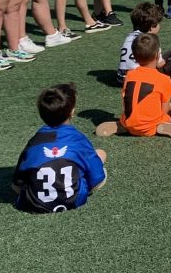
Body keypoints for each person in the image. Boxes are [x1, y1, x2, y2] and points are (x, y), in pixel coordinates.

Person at [12, 83, 107, 213]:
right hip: (74, 200)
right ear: (72, 112)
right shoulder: (78, 139)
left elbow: (17, 185)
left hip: (35, 204)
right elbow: (97, 178)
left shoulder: (33, 142)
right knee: (100, 154)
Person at [95, 32, 171, 139]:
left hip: (128, 122)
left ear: (134, 57)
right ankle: (164, 125)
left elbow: (126, 102)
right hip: (152, 125)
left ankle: (122, 125)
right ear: (157, 55)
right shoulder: (164, 79)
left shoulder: (129, 75)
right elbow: (164, 110)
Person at [116, 2, 166, 85]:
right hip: (137, 79)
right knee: (170, 65)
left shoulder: (129, 36)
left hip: (121, 77)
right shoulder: (150, 40)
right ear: (151, 27)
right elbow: (160, 64)